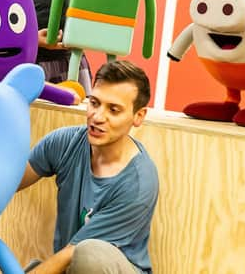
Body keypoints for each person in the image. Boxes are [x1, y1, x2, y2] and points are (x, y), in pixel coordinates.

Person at [20, 60, 159, 274]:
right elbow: (9, 182)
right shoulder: (65, 143)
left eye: (113, 110)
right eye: (94, 103)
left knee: (88, 254)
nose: (97, 117)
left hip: (98, 266)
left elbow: (72, 253)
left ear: (138, 116)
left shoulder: (139, 182)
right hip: (71, 266)